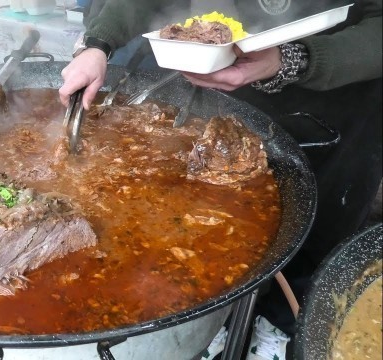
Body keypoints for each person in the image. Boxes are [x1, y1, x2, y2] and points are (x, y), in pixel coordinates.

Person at [59, 0, 382, 357]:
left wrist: (292, 60)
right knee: (212, 222)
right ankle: (217, 319)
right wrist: (98, 44)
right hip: (227, 82)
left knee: (314, 230)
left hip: (342, 96)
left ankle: (278, 326)